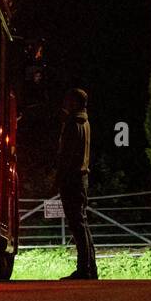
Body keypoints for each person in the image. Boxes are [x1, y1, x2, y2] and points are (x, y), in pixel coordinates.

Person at [56, 88, 97, 280]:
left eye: (67, 100)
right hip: (82, 177)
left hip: (72, 178)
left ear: (74, 103)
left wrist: (59, 176)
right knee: (82, 223)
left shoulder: (73, 123)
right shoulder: (85, 122)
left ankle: (84, 269)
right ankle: (90, 267)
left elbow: (67, 155)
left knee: (77, 224)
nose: (64, 103)